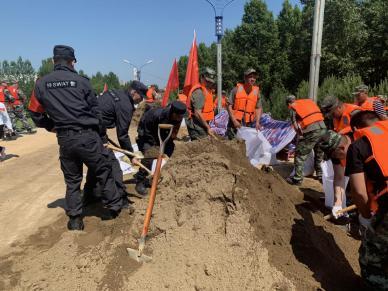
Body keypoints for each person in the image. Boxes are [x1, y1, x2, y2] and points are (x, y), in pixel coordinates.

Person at [28, 45, 123, 231]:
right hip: (88, 137)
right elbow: (97, 113)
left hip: (65, 140)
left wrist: (51, 126)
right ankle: (113, 210)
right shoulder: (81, 81)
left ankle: (75, 220)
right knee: (104, 171)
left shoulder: (41, 83)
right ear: (72, 62)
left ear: (53, 61)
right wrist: (102, 136)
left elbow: (35, 113)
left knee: (72, 181)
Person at [83, 81, 148, 207]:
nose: (141, 100)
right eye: (140, 96)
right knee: (113, 166)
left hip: (89, 129)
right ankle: (121, 201)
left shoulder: (116, 92)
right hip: (93, 132)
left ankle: (89, 196)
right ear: (134, 93)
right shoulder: (126, 105)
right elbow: (122, 135)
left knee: (96, 162)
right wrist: (131, 156)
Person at [345, 119, 388, 289]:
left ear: (355, 129)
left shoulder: (359, 146)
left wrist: (365, 216)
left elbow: (359, 192)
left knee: (373, 260)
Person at [135, 101, 187, 195]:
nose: (180, 118)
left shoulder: (178, 116)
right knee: (150, 154)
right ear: (173, 113)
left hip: (162, 132)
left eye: (181, 116)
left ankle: (162, 175)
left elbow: (175, 130)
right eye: (179, 116)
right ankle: (140, 181)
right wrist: (156, 146)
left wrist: (171, 138)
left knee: (171, 149)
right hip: (147, 132)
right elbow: (148, 132)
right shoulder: (158, 116)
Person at [286, 95, 326, 185]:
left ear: (289, 103)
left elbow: (295, 125)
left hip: (312, 131)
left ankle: (297, 179)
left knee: (300, 154)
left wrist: (300, 136)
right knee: (319, 153)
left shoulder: (293, 107)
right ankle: (320, 174)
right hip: (323, 128)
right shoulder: (308, 102)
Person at [226, 68, 262, 139]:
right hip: (235, 121)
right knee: (231, 142)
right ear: (245, 78)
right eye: (250, 77)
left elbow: (258, 108)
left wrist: (257, 122)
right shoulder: (236, 89)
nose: (253, 79)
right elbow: (229, 106)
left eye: (254, 77)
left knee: (244, 144)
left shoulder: (256, 92)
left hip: (248, 123)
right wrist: (234, 121)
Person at [185, 67, 217, 140]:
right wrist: (208, 127)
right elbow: (198, 114)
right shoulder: (199, 92)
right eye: (207, 81)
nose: (210, 83)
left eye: (211, 82)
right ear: (202, 77)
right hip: (197, 124)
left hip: (202, 123)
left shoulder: (207, 90)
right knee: (203, 146)